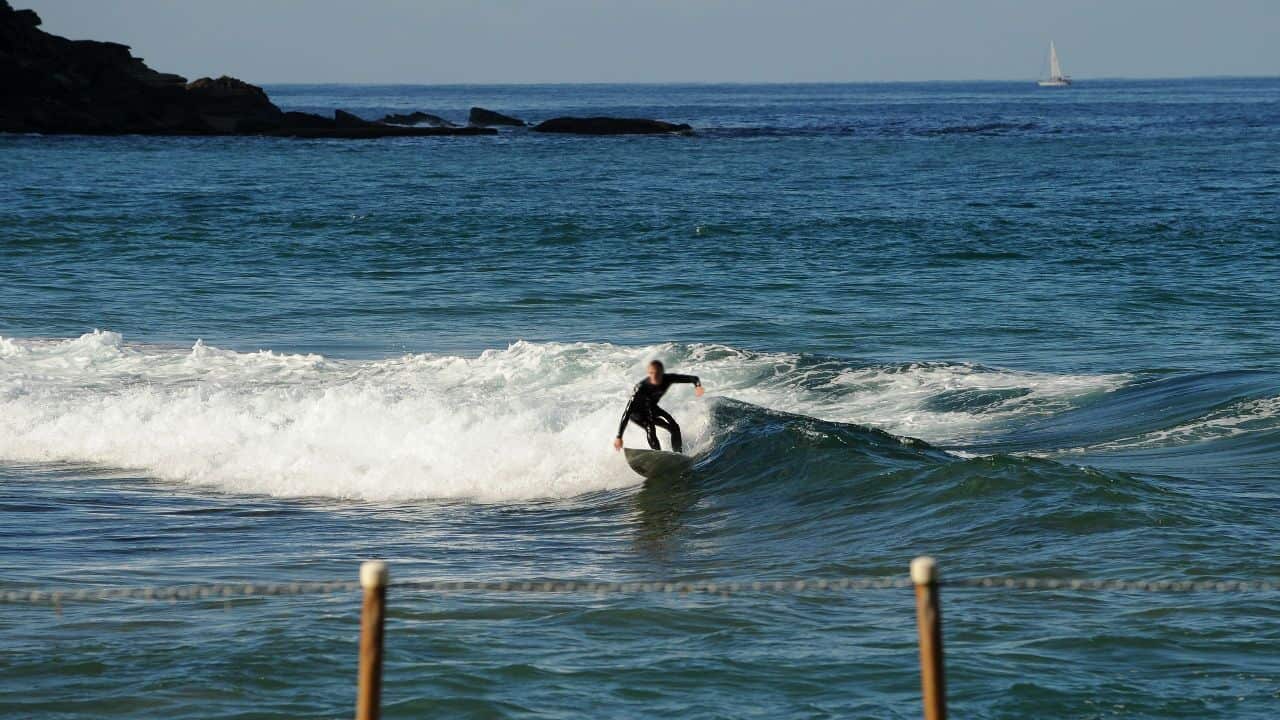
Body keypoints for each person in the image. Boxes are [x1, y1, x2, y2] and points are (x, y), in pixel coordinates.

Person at [613, 360, 705, 454]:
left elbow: (694, 378)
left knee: (674, 427)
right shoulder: (641, 388)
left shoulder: (668, 379)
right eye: (651, 373)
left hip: (651, 408)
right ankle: (658, 454)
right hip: (636, 412)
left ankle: (678, 453)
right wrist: (619, 436)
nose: (654, 376)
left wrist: (697, 386)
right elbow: (627, 412)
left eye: (657, 373)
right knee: (650, 426)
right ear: (649, 373)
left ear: (662, 372)